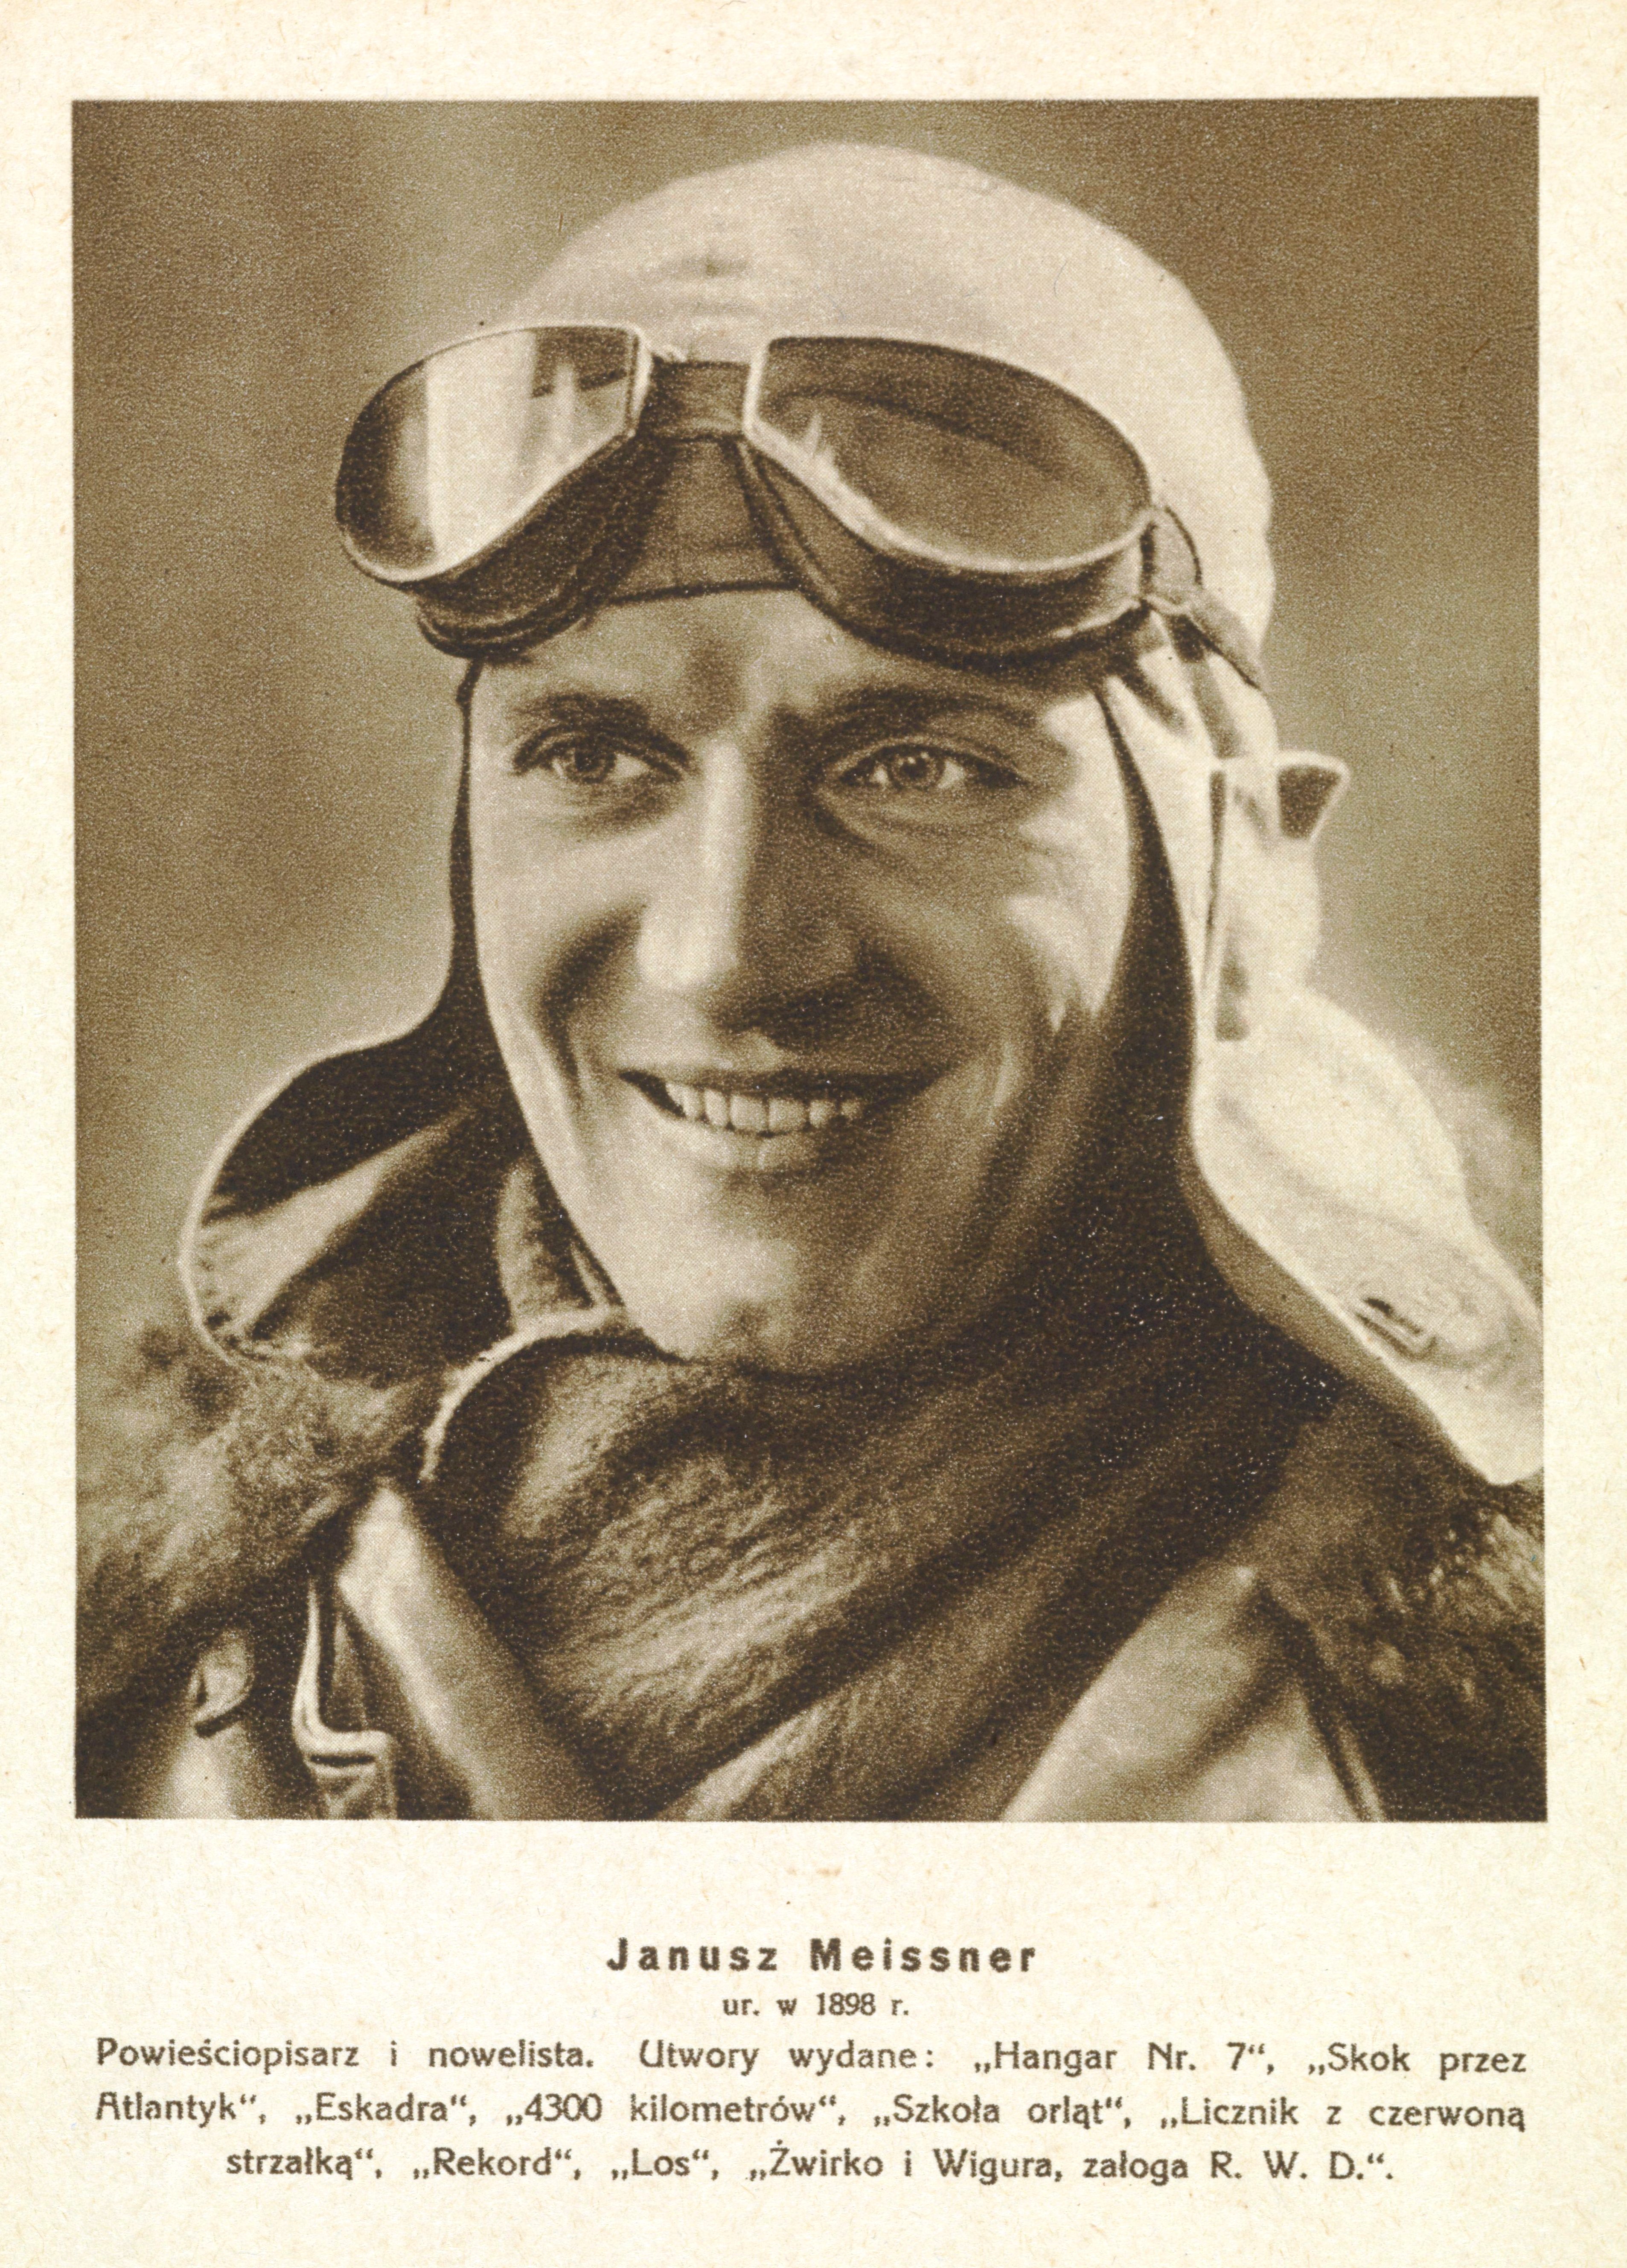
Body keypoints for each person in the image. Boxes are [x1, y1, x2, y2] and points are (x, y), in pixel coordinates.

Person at [77, 143, 1542, 1822]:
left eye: (919, 766)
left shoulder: (1516, 1742)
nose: (727, 956)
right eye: (594, 753)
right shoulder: (119, 1669)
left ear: (1242, 881)